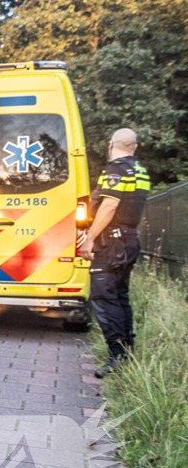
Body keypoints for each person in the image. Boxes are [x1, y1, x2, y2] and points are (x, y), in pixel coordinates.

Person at [80, 128, 150, 378]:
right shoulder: (140, 170)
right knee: (120, 296)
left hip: (112, 244)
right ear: (135, 147)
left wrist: (89, 239)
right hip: (129, 240)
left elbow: (109, 205)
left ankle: (116, 357)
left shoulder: (116, 169)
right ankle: (126, 351)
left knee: (104, 297)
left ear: (111, 145)